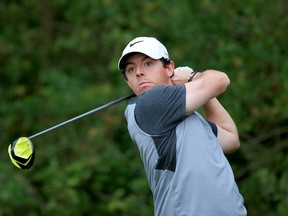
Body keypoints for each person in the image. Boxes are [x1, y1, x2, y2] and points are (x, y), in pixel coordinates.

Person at [117, 36, 247, 216]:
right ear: (128, 82)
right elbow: (221, 80)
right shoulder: (150, 104)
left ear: (169, 68)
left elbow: (231, 139)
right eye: (131, 69)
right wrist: (193, 77)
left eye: (148, 64)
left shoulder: (190, 118)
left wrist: (197, 87)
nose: (138, 72)